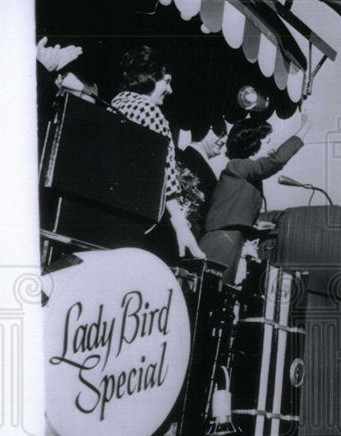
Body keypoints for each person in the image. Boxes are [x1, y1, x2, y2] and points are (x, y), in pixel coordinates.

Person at [109, 45, 204, 262]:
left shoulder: (116, 103)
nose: (170, 90)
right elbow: (167, 176)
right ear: (150, 77)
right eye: (167, 81)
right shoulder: (150, 111)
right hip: (133, 219)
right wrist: (181, 225)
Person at [199, 109, 310, 282]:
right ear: (253, 143)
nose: (272, 148)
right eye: (267, 141)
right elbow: (276, 161)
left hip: (230, 238)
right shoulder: (237, 166)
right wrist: (304, 129)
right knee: (211, 290)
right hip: (222, 241)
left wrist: (254, 224)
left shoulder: (244, 172)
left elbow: (232, 206)